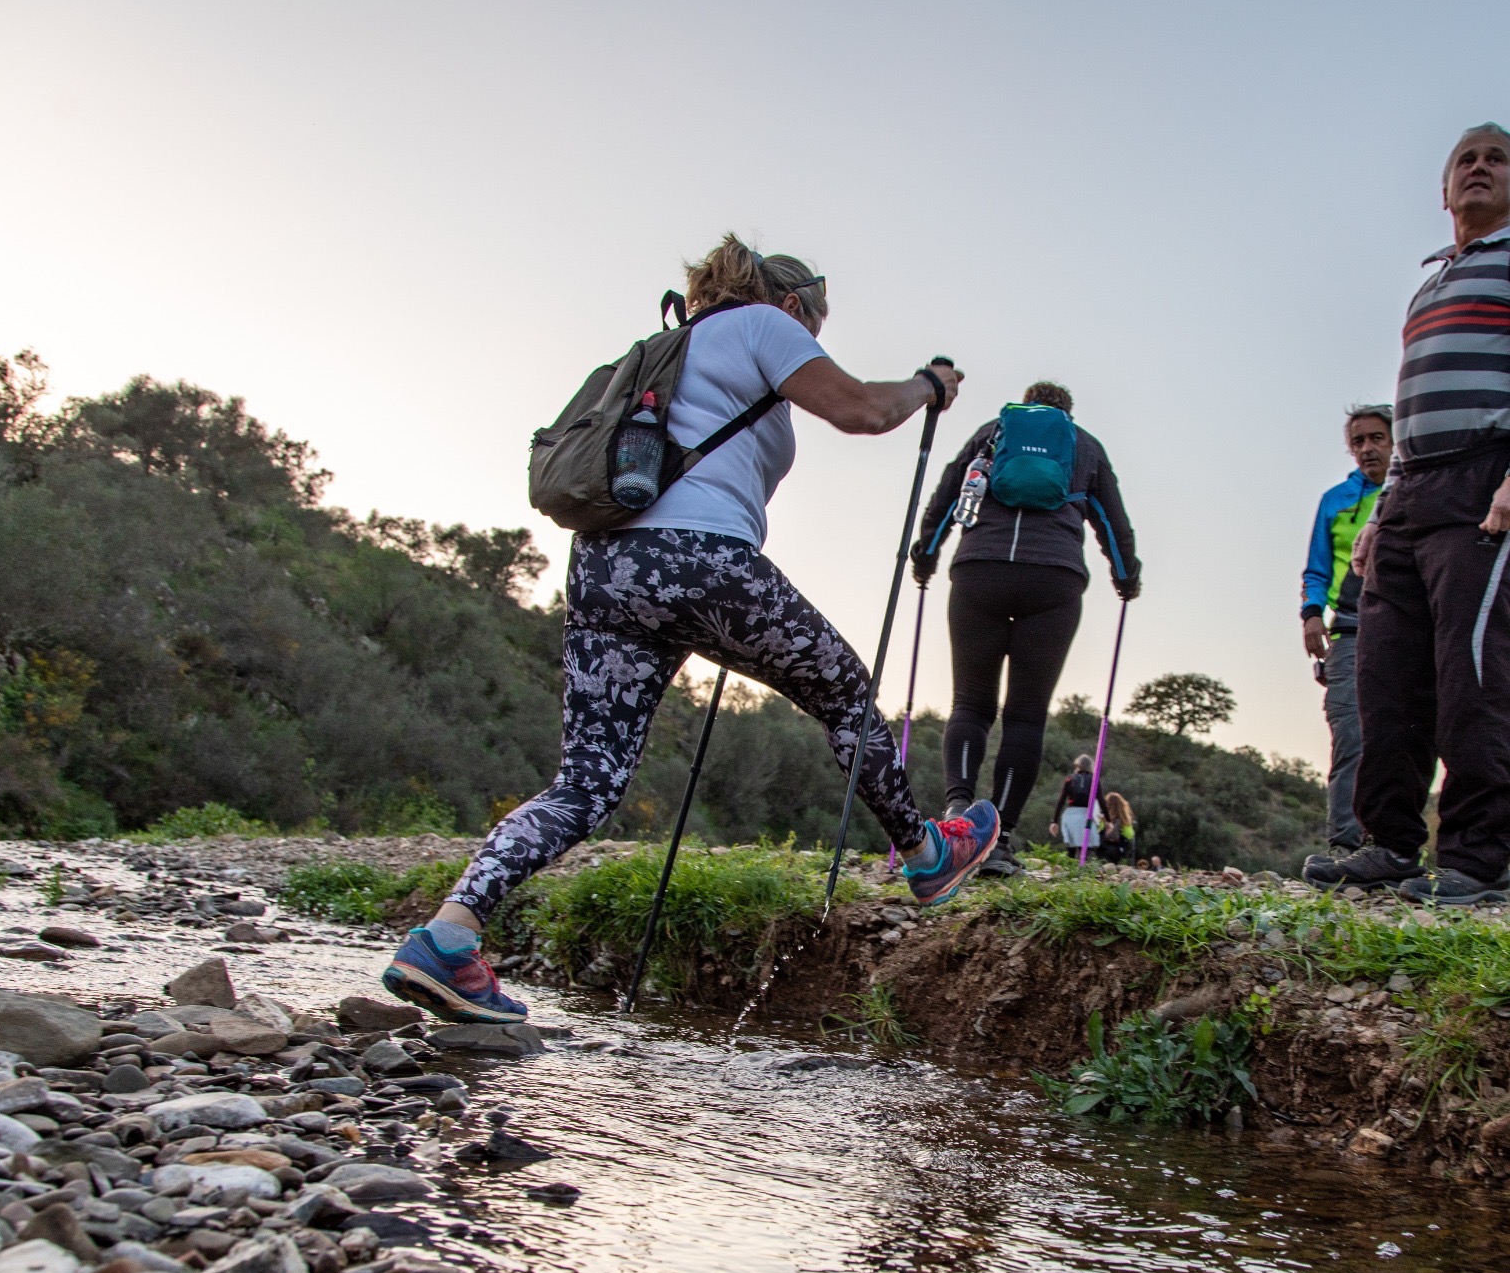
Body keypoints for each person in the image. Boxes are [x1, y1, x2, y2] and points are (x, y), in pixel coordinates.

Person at [382, 234, 1002, 1023]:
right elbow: (865, 410)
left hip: (606, 569)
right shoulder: (763, 325)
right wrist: (927, 386)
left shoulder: (664, 351)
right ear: (793, 306)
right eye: (816, 326)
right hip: (699, 560)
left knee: (585, 783)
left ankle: (447, 938)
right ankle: (927, 854)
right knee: (846, 693)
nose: (813, 342)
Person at [1318, 124, 1510, 907]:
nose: (1478, 168)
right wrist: (1381, 513)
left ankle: (1476, 859)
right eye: (1465, 159)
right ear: (1443, 191)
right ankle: (1389, 843)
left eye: (1495, 160)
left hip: (1484, 478)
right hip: (1411, 491)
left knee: (1474, 669)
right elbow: (1408, 410)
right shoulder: (1429, 285)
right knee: (1386, 675)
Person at [912, 381, 1140, 874]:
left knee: (970, 703)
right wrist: (1127, 577)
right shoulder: (1085, 447)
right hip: (1053, 580)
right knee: (1026, 717)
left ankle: (957, 812)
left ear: (1024, 405)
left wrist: (925, 555)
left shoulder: (991, 434)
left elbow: (947, 497)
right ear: (1067, 413)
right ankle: (999, 841)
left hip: (981, 569)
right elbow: (1112, 521)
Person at [1299, 404, 1390, 866]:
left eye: (1377, 438)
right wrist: (1311, 614)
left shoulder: (1416, 490)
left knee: (1403, 735)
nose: (1367, 448)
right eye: (1358, 441)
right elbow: (1316, 567)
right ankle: (1345, 846)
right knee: (1350, 734)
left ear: (1396, 441)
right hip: (1349, 629)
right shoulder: (1334, 500)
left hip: (1408, 628)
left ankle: (1392, 845)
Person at [1050, 754, 1102, 850]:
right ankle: (1083, 859)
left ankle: (1071, 859)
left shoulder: (1069, 779)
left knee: (1071, 846)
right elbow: (1101, 800)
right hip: (1087, 816)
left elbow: (1061, 801)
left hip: (1071, 815)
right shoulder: (1094, 780)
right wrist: (1109, 820)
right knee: (1085, 847)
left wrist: (1054, 821)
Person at [1098, 791, 1137, 863]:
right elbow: (1129, 835)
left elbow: (1098, 829)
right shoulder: (1123, 819)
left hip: (1102, 847)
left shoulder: (1102, 816)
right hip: (1118, 849)